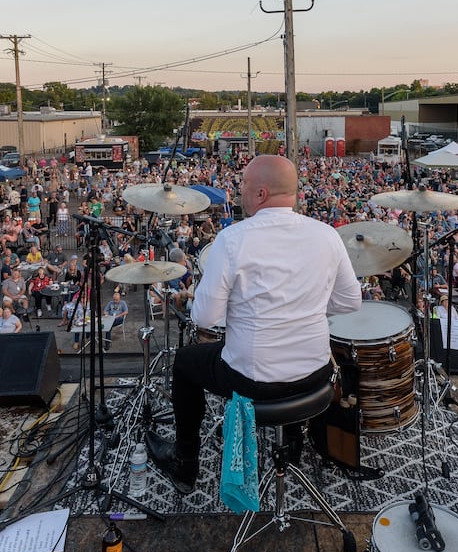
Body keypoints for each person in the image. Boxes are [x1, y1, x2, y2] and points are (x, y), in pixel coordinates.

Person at [146, 155, 362, 493]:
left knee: (186, 363)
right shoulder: (327, 236)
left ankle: (184, 464)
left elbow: (204, 318)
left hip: (254, 381)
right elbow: (351, 301)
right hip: (316, 373)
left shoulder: (233, 241)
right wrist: (309, 307)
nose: (239, 190)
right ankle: (290, 444)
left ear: (260, 193)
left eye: (243, 184)